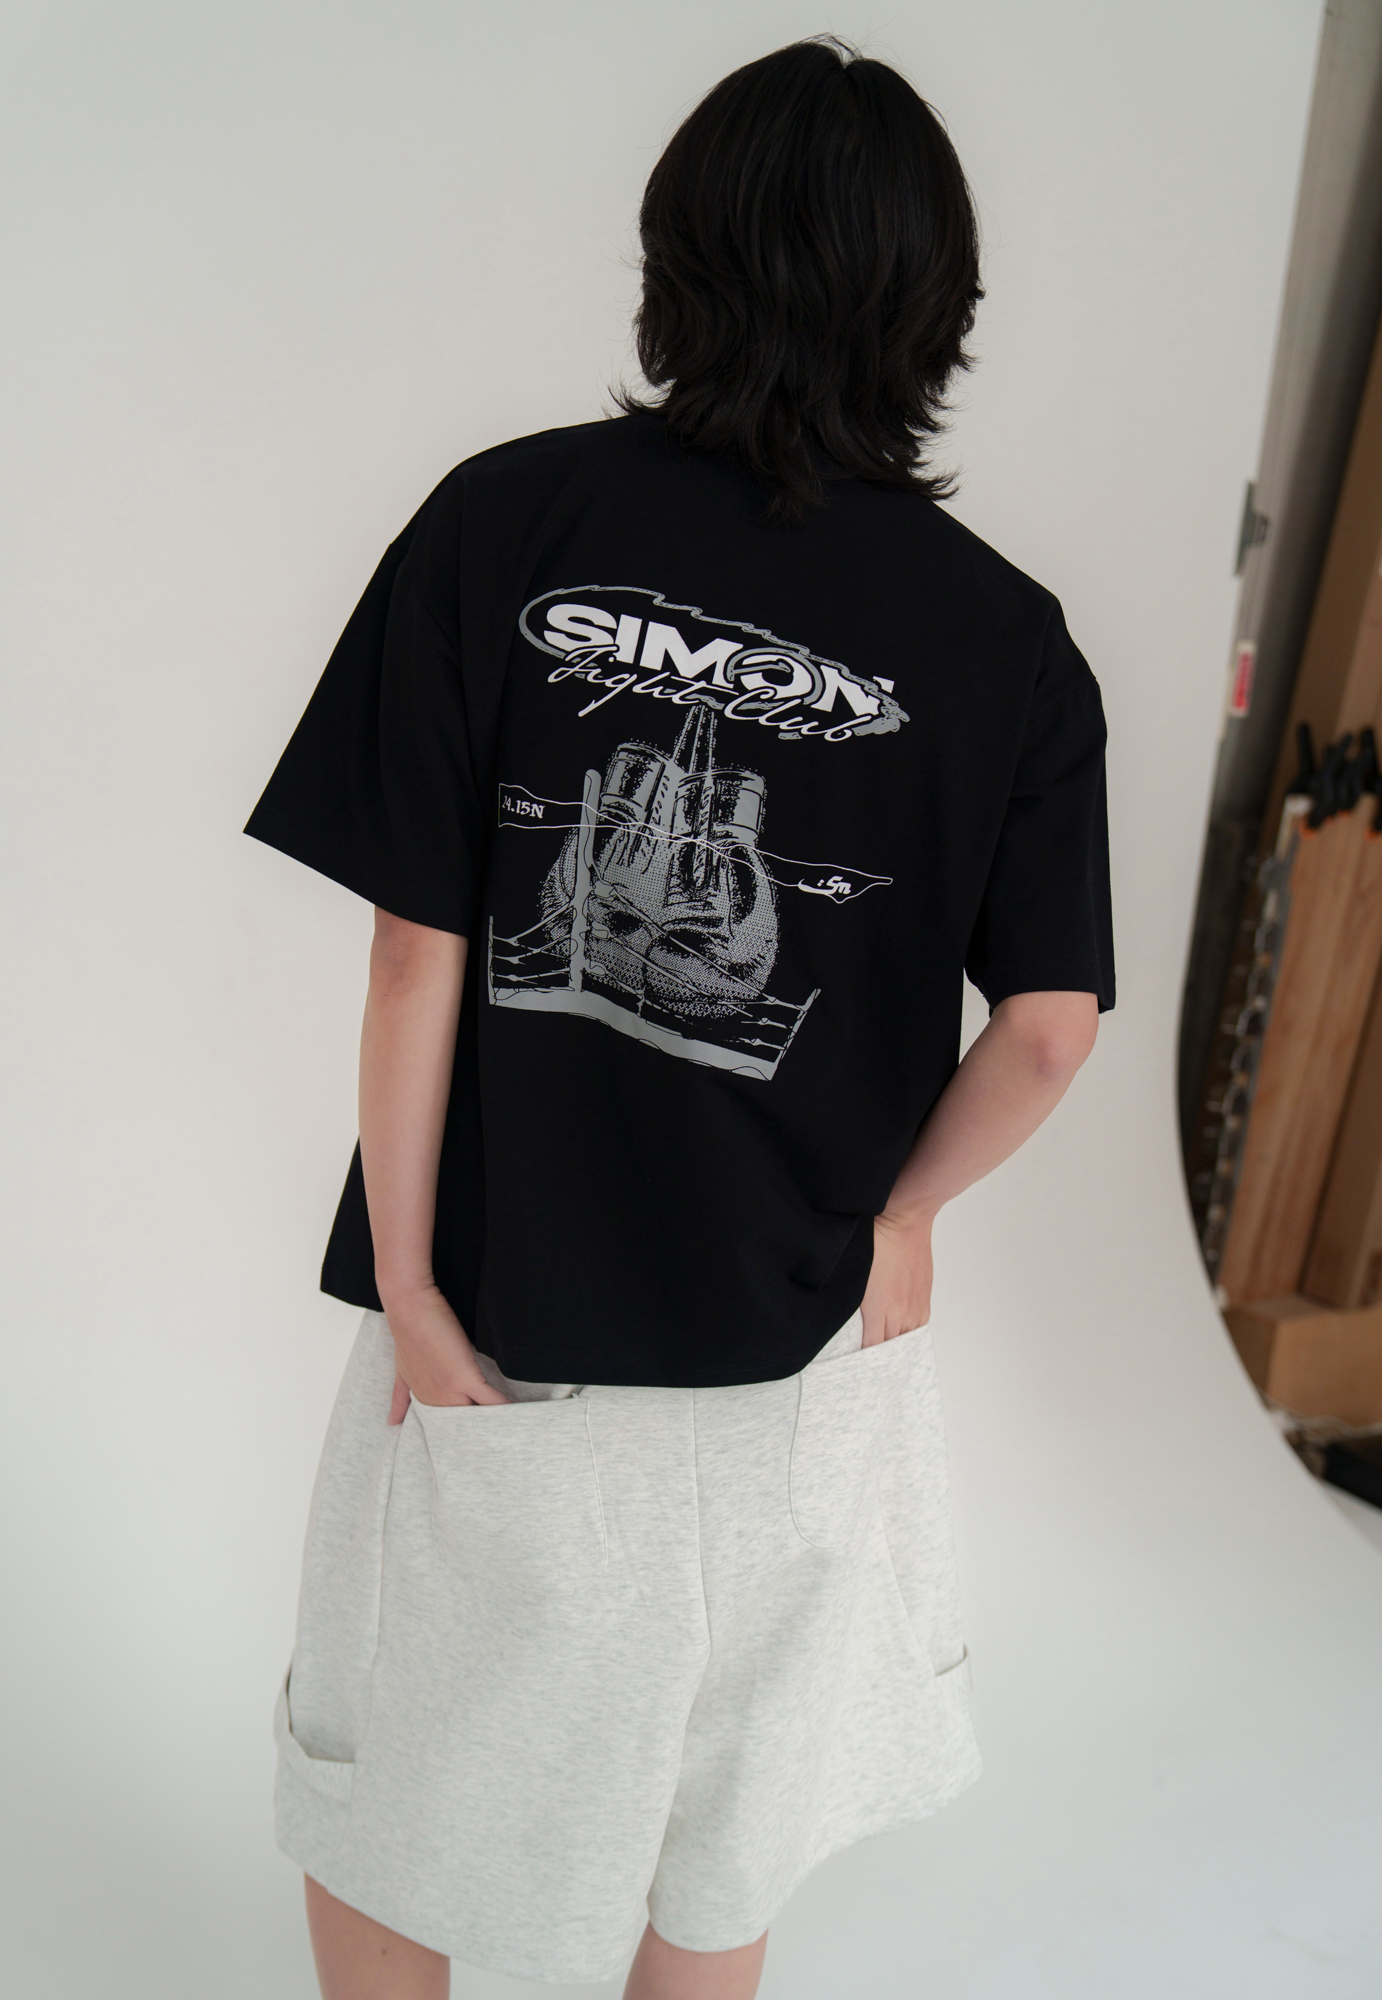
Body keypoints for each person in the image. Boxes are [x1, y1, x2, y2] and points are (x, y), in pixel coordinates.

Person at [245, 34, 1113, 2000]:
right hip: (808, 1359)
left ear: (675, 261)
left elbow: (414, 954)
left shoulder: (501, 525)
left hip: (505, 1333)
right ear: (934, 306)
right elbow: (1050, 1026)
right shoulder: (1005, 637)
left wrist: (411, 1280)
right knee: (722, 1842)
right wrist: (901, 1217)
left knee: (391, 1801)